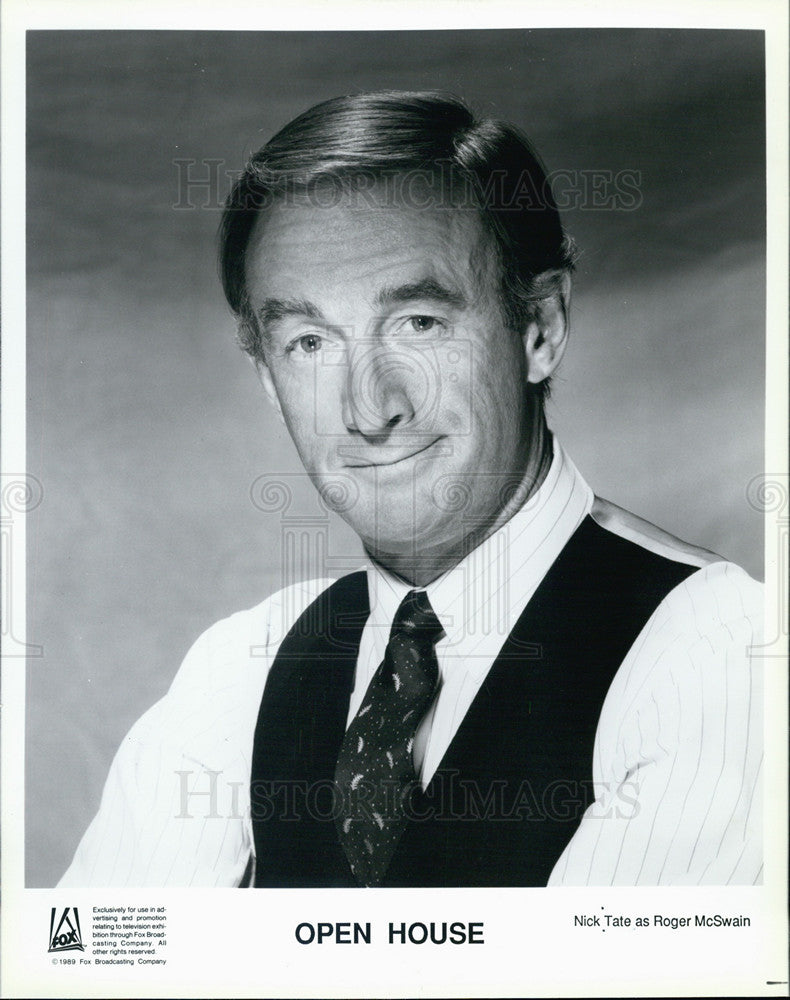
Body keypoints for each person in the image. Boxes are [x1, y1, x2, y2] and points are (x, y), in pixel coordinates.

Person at [59, 91, 762, 888]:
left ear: (541, 327)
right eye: (310, 342)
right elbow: (97, 966)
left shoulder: (718, 653)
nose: (370, 409)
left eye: (419, 323)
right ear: (266, 377)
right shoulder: (244, 670)